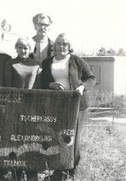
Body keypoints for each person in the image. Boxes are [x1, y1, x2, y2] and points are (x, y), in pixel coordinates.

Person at [41, 33, 96, 180]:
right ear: (54, 46)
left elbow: (91, 78)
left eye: (65, 43)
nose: (61, 46)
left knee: (74, 137)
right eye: (59, 43)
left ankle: (71, 171)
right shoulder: (47, 62)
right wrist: (51, 85)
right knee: (59, 136)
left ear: (69, 46)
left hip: (77, 104)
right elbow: (43, 81)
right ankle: (59, 169)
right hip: (58, 104)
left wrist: (82, 87)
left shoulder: (75, 60)